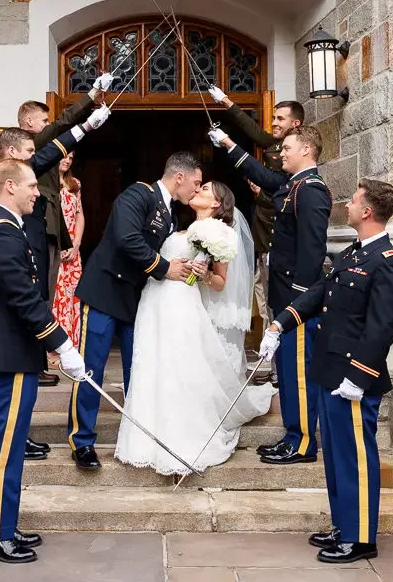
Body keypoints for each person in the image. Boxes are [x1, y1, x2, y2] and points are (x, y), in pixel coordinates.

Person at [258, 179, 393, 564]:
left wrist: (358, 378)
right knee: (337, 456)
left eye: (354, 200)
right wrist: (280, 324)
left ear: (369, 211)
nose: (348, 204)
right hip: (330, 372)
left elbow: (381, 328)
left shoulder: (389, 263)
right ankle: (345, 524)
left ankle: (361, 539)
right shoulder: (352, 254)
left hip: (354, 379)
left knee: (356, 457)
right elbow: (319, 294)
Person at [114, 181, 276, 475]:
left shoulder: (222, 234)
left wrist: (203, 275)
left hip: (183, 303)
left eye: (205, 190)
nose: (198, 191)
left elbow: (220, 282)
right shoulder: (176, 223)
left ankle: (182, 435)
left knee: (180, 367)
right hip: (154, 301)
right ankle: (145, 436)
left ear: (216, 204)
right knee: (153, 363)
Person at [0, 159, 86, 564]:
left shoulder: (10, 229)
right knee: (4, 448)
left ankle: (4, 525)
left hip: (18, 353)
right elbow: (24, 299)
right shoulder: (1, 235)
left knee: (13, 445)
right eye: (31, 186)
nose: (38, 193)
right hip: (10, 356)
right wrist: (63, 344)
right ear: (8, 188)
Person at [0, 107, 110, 462]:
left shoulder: (24, 183)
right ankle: (14, 436)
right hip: (24, 279)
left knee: (29, 362)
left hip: (37, 270)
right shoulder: (5, 190)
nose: (34, 159)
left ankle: (20, 434)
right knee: (20, 362)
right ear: (11, 157)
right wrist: (84, 125)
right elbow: (53, 149)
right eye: (28, 153)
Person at [68, 152, 200, 471]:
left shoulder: (171, 216)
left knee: (137, 371)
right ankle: (82, 441)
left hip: (134, 301)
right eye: (195, 183)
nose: (196, 190)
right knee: (91, 369)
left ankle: (136, 438)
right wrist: (164, 268)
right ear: (178, 177)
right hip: (104, 294)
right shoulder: (138, 193)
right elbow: (127, 238)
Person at [209, 125, 331, 466]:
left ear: (306, 149)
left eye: (288, 147)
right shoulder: (293, 184)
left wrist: (298, 303)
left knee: (300, 374)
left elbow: (311, 250)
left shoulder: (312, 190)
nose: (282, 153)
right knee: (289, 372)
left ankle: (303, 442)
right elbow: (260, 173)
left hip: (299, 302)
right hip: (285, 298)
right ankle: (293, 435)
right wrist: (228, 143)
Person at [18, 71, 114, 386]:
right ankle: (37, 360)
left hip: (52, 229)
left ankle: (39, 359)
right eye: (42, 120)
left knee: (45, 295)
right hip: (41, 229)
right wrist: (90, 98)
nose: (48, 124)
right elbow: (62, 125)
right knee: (40, 295)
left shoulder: (38, 148)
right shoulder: (34, 143)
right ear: (29, 124)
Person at [209, 87, 304, 383]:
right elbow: (257, 135)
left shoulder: (298, 159)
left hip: (280, 244)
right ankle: (276, 369)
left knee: (277, 307)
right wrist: (226, 102)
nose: (273, 124)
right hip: (265, 239)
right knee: (267, 305)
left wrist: (227, 143)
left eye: (279, 119)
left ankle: (283, 371)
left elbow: (273, 184)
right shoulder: (276, 145)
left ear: (296, 126)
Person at [53, 152, 84, 344]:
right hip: (55, 246)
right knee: (56, 296)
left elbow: (80, 214)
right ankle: (54, 347)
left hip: (73, 249)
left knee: (72, 295)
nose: (67, 161)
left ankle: (71, 344)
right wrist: (59, 246)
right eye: (64, 156)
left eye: (71, 158)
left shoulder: (75, 184)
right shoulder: (44, 183)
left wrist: (76, 244)